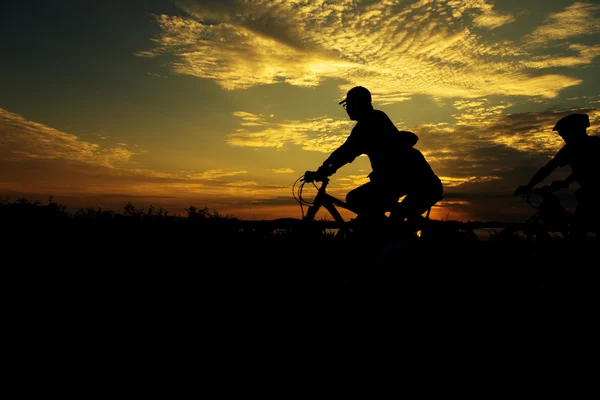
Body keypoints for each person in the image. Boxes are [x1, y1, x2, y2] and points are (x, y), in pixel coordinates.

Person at [305, 86, 443, 237]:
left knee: (359, 201)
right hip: (400, 181)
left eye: (349, 104)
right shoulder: (374, 120)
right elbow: (345, 152)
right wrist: (325, 168)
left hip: (421, 184)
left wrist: (323, 170)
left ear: (360, 104)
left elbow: (345, 152)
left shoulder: (369, 124)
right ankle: (379, 236)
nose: (347, 109)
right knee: (367, 207)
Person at [515, 113, 600, 239]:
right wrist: (565, 182)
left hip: (592, 196)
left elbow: (549, 169)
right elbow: (583, 170)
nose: (562, 136)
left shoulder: (584, 147)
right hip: (588, 194)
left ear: (574, 130)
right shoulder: (580, 147)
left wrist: (529, 186)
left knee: (579, 227)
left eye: (563, 132)